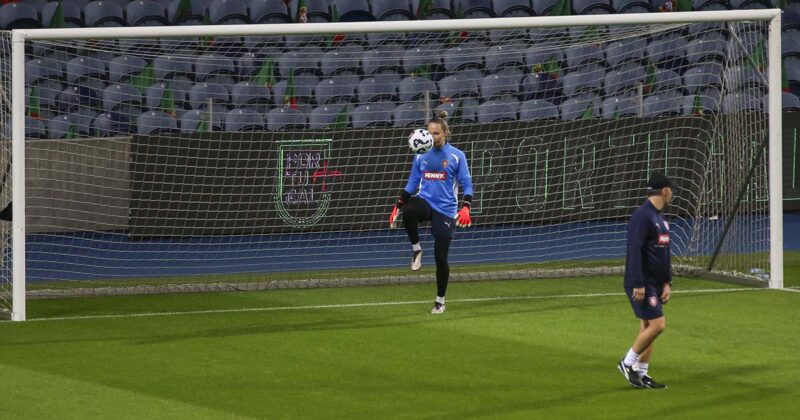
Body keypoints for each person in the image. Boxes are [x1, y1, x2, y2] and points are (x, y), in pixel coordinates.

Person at [389, 110, 473, 314]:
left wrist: (466, 207)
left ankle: (440, 300)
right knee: (409, 210)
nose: (432, 136)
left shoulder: (456, 156)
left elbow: (467, 184)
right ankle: (416, 249)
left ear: (445, 133)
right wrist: (397, 206)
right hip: (425, 202)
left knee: (441, 258)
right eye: (429, 132)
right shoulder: (420, 155)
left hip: (445, 210)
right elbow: (412, 183)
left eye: (436, 133)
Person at [618, 173, 673, 389]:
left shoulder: (659, 218)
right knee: (658, 325)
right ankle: (627, 362)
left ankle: (641, 374)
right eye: (671, 190)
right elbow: (634, 249)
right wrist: (637, 282)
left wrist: (667, 282)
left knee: (648, 327)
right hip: (643, 283)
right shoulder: (643, 215)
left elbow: (665, 253)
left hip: (655, 283)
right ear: (665, 191)